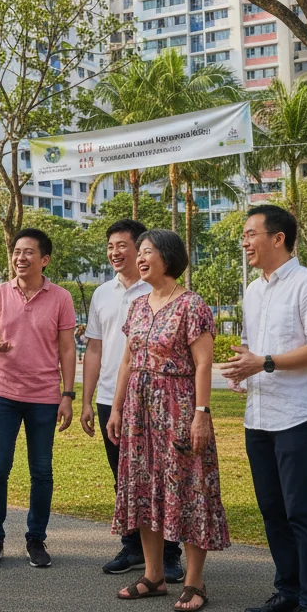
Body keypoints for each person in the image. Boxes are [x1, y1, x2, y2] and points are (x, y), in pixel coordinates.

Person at [222, 205, 307, 612]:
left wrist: (263, 363)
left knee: (301, 511)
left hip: (298, 415)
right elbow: (253, 348)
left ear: (278, 238)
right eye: (244, 235)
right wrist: (242, 370)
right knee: (272, 510)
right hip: (260, 414)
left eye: (251, 234)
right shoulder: (253, 290)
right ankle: (288, 591)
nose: (245, 242)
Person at [107, 228, 229, 612]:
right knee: (144, 488)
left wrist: (201, 414)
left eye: (148, 252)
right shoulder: (138, 305)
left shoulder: (192, 304)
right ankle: (154, 576)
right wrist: (116, 408)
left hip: (178, 406)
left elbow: (204, 363)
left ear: (169, 257)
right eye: (138, 252)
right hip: (138, 412)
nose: (140, 258)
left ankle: (194, 583)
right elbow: (127, 361)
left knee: (188, 488)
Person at [81, 219, 185, 583]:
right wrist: (86, 399)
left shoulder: (160, 290)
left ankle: (170, 553)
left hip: (156, 400)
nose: (115, 252)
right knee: (124, 477)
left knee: (163, 477)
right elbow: (94, 348)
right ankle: (132, 547)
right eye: (111, 246)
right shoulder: (101, 294)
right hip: (112, 397)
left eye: (124, 245)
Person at [0, 227, 77, 569]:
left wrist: (68, 394)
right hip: (3, 393)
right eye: (16, 252)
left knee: (41, 470)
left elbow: (68, 348)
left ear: (44, 259)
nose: (20, 257)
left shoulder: (61, 297)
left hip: (44, 397)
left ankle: (36, 538)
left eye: (28, 252)